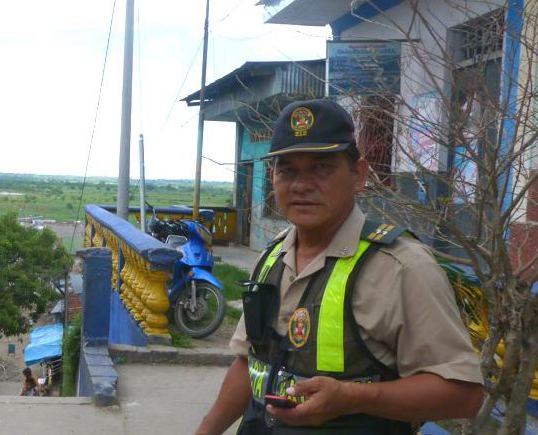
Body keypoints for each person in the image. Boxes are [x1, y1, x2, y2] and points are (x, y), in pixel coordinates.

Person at [195, 99, 484, 434]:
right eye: (288, 170)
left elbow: (463, 395)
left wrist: (353, 398)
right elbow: (249, 364)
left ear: (358, 175)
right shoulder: (272, 258)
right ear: (273, 178)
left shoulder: (402, 266)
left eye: (322, 168)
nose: (301, 185)